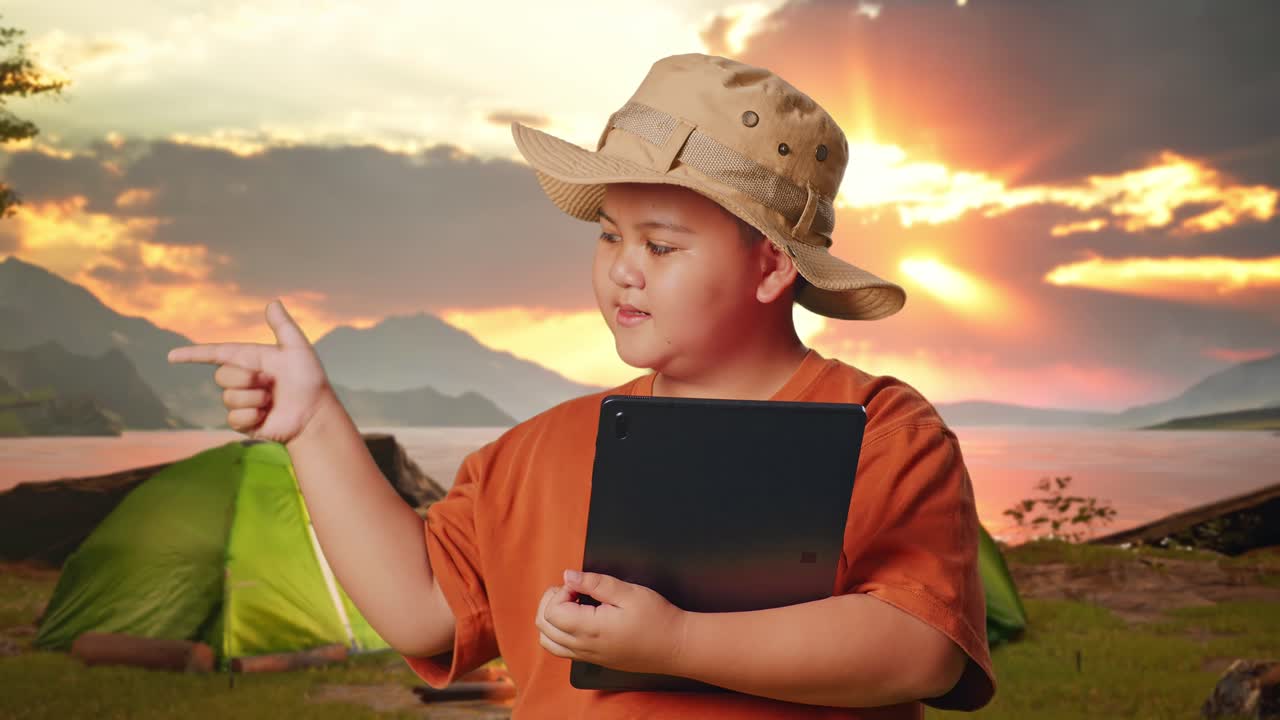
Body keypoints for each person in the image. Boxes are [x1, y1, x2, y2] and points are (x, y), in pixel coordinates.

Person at [168, 53, 996, 718]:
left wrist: (674, 644)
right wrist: (313, 423)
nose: (622, 271)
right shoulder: (540, 449)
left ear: (772, 265)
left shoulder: (878, 429)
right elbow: (424, 607)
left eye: (662, 246)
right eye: (608, 238)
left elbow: (919, 648)